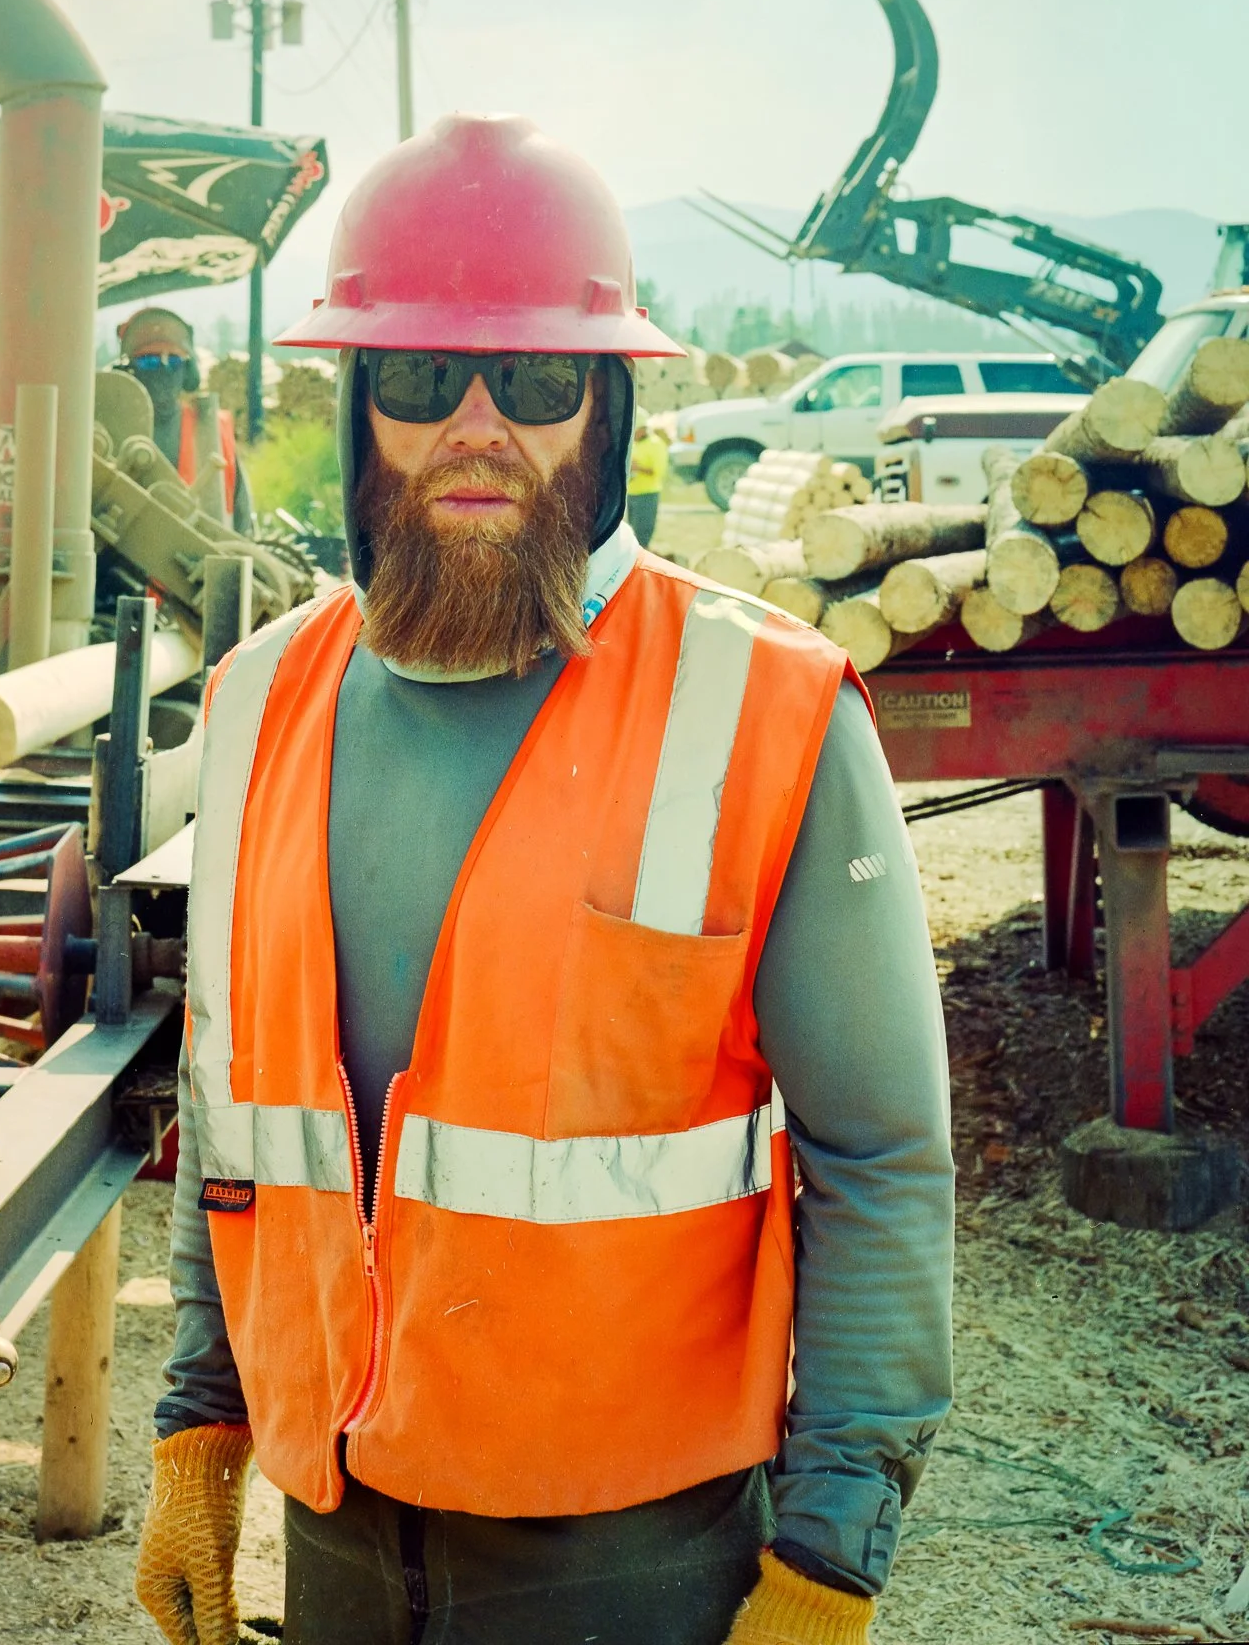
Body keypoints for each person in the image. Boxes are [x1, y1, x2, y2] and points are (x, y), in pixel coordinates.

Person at [135, 113, 953, 1645]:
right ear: (362, 400)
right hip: (343, 1540)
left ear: (610, 408)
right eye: (425, 381)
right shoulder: (260, 705)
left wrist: (833, 1552)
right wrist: (199, 1424)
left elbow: (883, 1162)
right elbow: (235, 1101)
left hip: (631, 1559)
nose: (477, 427)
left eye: (535, 381)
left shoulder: (765, 712)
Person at [114, 305, 247, 528]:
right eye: (150, 361)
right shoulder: (113, 429)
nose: (164, 369)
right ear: (128, 371)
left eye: (174, 361)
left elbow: (243, 524)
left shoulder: (213, 432)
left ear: (188, 372)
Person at [625, 404, 669, 546]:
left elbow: (658, 472)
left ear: (642, 429)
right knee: (632, 536)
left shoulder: (656, 444)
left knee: (642, 537)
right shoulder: (634, 444)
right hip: (632, 494)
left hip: (647, 496)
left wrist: (638, 468)